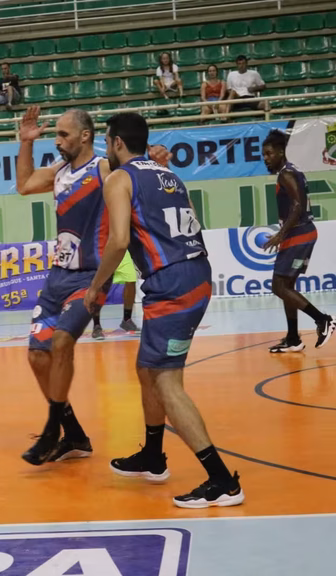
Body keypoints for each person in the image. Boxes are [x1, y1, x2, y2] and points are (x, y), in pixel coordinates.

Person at [83, 112, 244, 508]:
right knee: (147, 370)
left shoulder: (119, 179)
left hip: (172, 284)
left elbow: (119, 241)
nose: (106, 148)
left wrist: (96, 286)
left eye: (107, 141)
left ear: (118, 142)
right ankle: (153, 456)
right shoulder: (169, 174)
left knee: (166, 381)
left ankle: (222, 480)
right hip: (195, 271)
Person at [15, 105, 169, 465]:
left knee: (61, 341)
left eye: (63, 134)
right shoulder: (58, 172)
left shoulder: (103, 168)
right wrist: (26, 142)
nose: (57, 141)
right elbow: (24, 185)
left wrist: (157, 161)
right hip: (57, 276)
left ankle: (52, 430)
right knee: (37, 356)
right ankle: (75, 435)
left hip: (89, 276)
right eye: (55, 134)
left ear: (85, 136)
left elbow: (136, 172)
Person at [261, 129, 334, 352]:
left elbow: (298, 206)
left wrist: (280, 234)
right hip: (301, 233)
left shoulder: (286, 174)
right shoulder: (292, 170)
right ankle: (293, 338)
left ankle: (322, 319)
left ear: (281, 152)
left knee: (278, 286)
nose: (266, 158)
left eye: (269, 154)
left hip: (298, 234)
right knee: (287, 286)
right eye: (263, 154)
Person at [90, 252, 139, 340]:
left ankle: (127, 320)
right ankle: (96, 326)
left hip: (121, 251)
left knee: (131, 279)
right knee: (100, 285)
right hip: (102, 251)